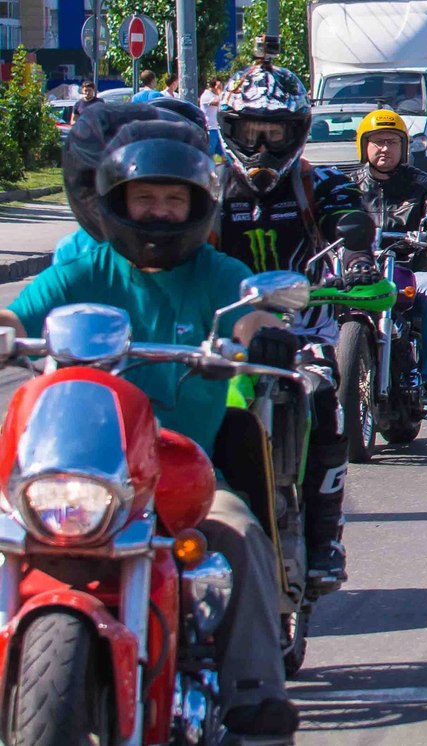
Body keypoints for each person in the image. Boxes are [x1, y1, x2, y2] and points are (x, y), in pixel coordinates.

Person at [0, 118, 300, 739]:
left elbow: (253, 308)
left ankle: (254, 691)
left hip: (180, 471)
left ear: (196, 205)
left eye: (173, 199)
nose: (159, 212)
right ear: (117, 202)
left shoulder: (216, 274)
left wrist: (255, 330)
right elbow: (20, 309)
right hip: (84, 469)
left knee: (239, 534)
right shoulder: (87, 270)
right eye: (145, 198)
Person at [215, 63, 371, 587]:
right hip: (221, 332)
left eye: (273, 133)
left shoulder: (316, 184)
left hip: (304, 330)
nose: (260, 148)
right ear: (230, 130)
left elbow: (348, 218)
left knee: (327, 399)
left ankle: (326, 535)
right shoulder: (208, 189)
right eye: (250, 133)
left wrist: (357, 259)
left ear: (296, 133)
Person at [349, 109, 427, 416]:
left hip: (405, 270)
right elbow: (325, 215)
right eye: (376, 141)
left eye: (391, 141)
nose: (384, 148)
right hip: (357, 271)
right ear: (364, 146)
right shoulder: (347, 187)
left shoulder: (422, 184)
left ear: (404, 146)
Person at [200, 75, 224, 154]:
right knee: (210, 154)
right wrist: (220, 90)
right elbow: (219, 103)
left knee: (222, 157)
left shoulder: (216, 95)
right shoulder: (206, 95)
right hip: (209, 129)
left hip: (217, 129)